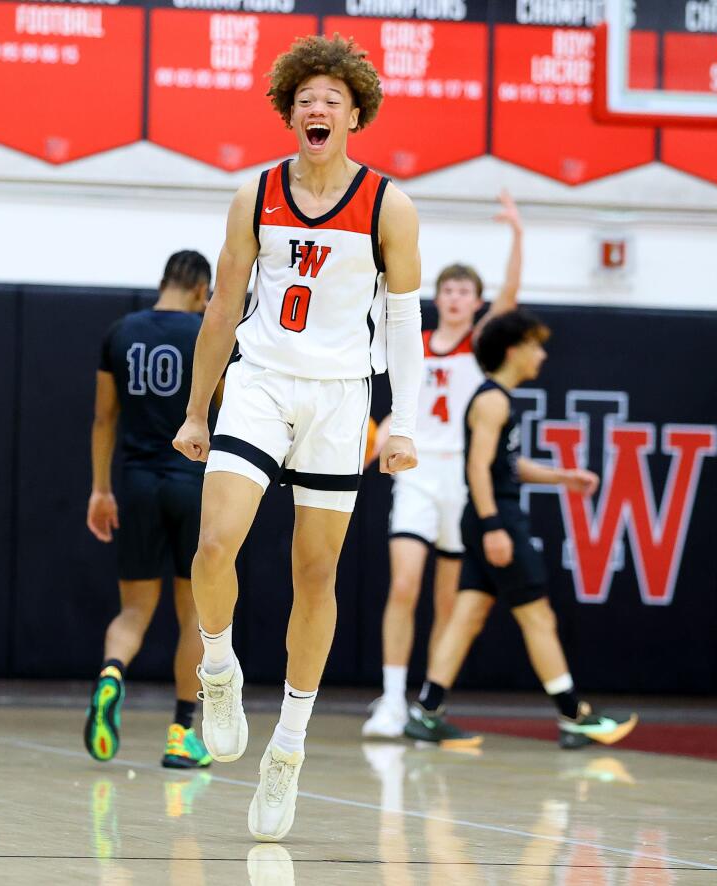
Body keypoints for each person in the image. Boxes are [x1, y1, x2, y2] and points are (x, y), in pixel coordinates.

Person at [172, 35, 423, 842]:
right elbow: (220, 307)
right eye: (305, 98)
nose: (318, 108)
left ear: (355, 114)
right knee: (213, 550)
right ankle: (218, 666)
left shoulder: (390, 204)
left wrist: (404, 420)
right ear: (291, 114)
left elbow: (406, 324)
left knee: (315, 575)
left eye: (332, 99)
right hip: (261, 382)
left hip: (341, 398)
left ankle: (287, 748)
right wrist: (195, 407)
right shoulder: (257, 194)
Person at [404, 309, 637, 750]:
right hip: (497, 519)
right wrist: (494, 526)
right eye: (535, 345)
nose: (542, 355)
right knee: (537, 615)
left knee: (467, 614)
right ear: (513, 350)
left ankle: (428, 711)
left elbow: (504, 466)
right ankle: (574, 716)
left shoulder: (495, 398)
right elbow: (476, 467)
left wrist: (562, 477)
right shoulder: (493, 400)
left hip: (483, 516)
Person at [364, 191, 523, 739]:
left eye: (466, 291)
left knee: (446, 598)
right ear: (439, 297)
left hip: (462, 477)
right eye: (449, 290)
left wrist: (518, 235)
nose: (456, 298)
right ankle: (389, 699)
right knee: (404, 585)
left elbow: (511, 297)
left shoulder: (481, 344)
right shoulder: (418, 340)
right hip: (417, 470)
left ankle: (426, 705)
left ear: (477, 303)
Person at [83, 251, 215, 770]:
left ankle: (112, 673)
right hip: (191, 484)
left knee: (133, 613)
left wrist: (100, 490)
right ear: (203, 290)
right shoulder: (208, 334)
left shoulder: (120, 332)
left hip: (135, 485)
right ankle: (182, 734)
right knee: (196, 618)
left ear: (163, 282)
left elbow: (102, 420)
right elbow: (222, 407)